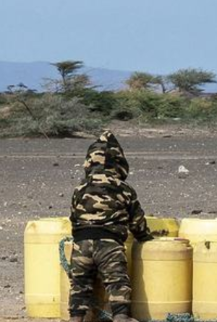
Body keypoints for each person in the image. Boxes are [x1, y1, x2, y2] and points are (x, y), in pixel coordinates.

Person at [68, 131, 153, 322]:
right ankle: (121, 317)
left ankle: (76, 318)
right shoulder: (123, 188)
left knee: (79, 284)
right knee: (117, 282)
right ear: (119, 162)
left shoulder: (79, 188)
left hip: (81, 243)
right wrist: (145, 239)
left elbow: (73, 217)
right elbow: (137, 221)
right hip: (109, 244)